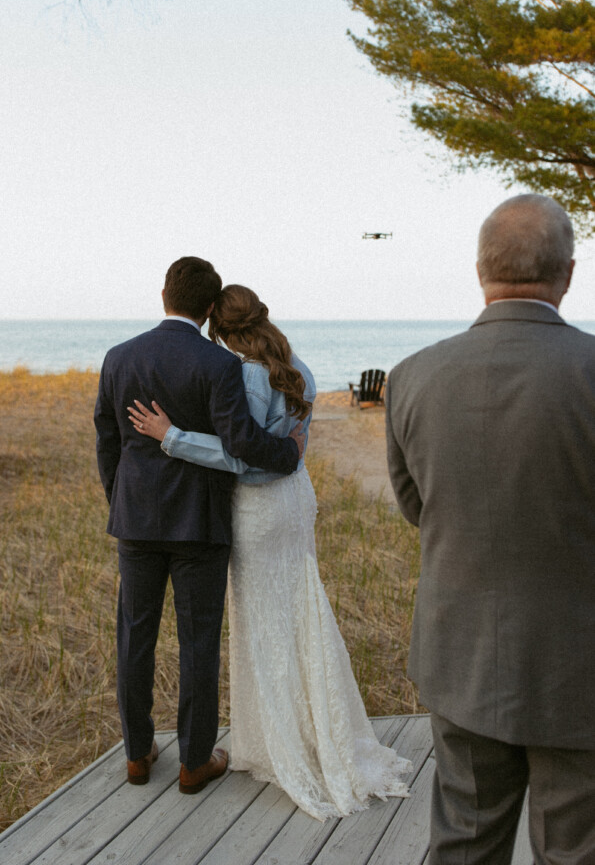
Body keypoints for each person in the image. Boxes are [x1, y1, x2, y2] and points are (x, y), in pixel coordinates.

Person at [129, 284, 411, 820]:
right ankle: (314, 728)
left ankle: (280, 740)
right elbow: (287, 449)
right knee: (301, 611)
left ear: (219, 326)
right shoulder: (293, 364)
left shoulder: (242, 374)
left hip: (259, 505)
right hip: (294, 500)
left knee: (261, 621)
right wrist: (285, 454)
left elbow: (246, 461)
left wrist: (173, 436)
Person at [385, 194, 595, 865]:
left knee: (463, 841)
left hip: (458, 653)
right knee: (575, 849)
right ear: (565, 273)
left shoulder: (411, 376)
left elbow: (418, 507)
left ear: (479, 270)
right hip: (578, 661)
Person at [94, 258, 303, 795]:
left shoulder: (119, 357)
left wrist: (122, 498)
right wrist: (288, 453)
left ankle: (138, 755)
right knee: (198, 641)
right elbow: (240, 442)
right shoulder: (218, 364)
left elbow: (107, 439)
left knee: (135, 637)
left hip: (136, 523)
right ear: (210, 308)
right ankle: (193, 762)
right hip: (199, 523)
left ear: (163, 292)